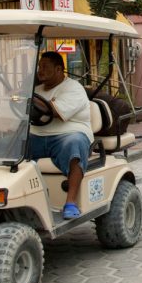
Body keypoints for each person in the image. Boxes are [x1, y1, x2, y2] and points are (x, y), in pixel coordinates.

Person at [28, 51, 93, 219]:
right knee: (12, 144)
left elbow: (55, 111)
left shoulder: (73, 88)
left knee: (75, 143)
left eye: (45, 67)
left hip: (68, 133)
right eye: (39, 67)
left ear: (58, 69)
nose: (40, 70)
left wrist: (26, 97)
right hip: (39, 134)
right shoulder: (36, 90)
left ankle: (70, 202)